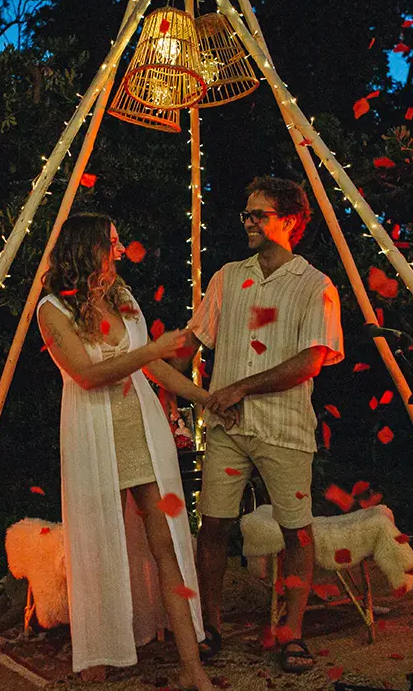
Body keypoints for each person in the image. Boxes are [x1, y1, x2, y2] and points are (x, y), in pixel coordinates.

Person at [36, 212, 225, 690]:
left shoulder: (123, 298)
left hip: (140, 429)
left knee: (166, 544)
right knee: (101, 541)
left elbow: (153, 370)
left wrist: (205, 399)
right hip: (92, 434)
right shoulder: (52, 310)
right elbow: (88, 374)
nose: (120, 250)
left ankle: (192, 667)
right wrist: (152, 349)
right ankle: (100, 648)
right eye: (112, 242)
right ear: (88, 247)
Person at [172, 177, 344, 673]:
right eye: (246, 214)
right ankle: (209, 626)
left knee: (296, 531)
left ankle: (292, 633)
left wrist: (243, 386)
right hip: (228, 428)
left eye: (259, 215)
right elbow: (194, 341)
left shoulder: (315, 285)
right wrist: (160, 377)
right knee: (214, 526)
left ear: (289, 221)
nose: (248, 222)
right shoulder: (228, 277)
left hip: (286, 430)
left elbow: (311, 360)